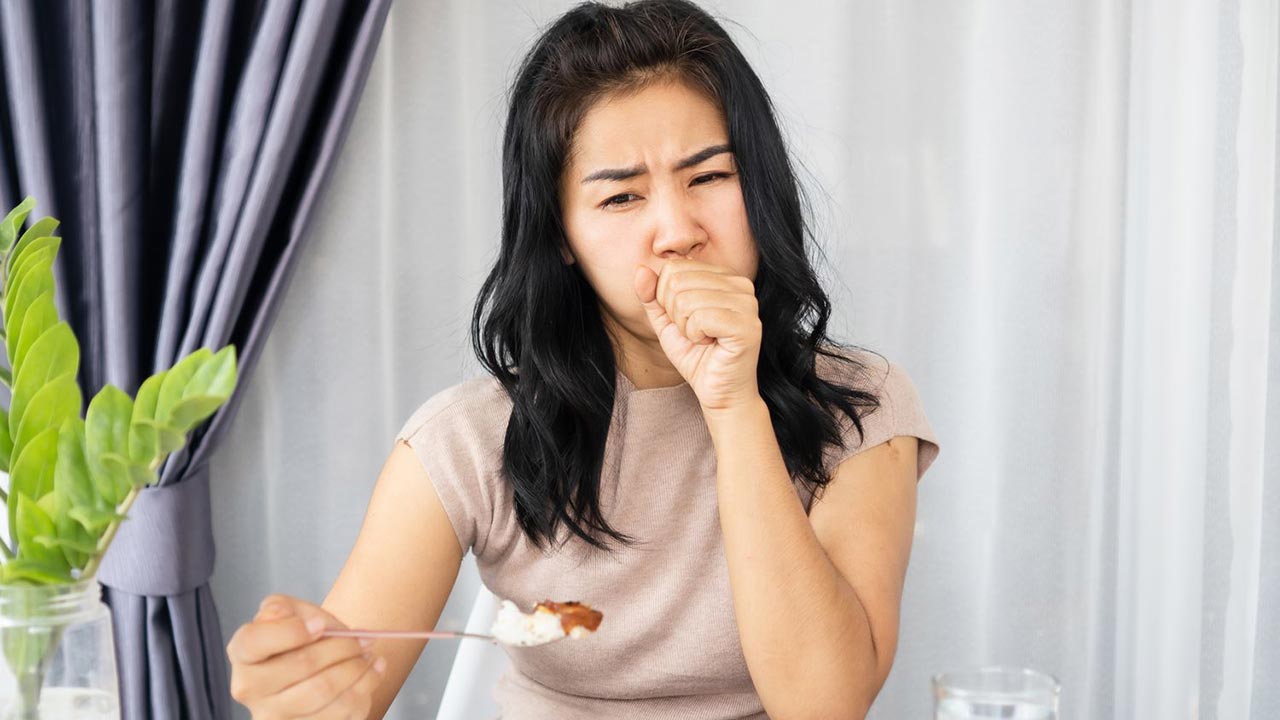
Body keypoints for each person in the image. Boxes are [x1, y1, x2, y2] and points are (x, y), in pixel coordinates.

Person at [226, 0, 940, 717]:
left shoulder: (861, 408)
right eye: (622, 197)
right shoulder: (466, 440)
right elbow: (345, 685)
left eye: (710, 177)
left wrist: (734, 406)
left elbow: (824, 706)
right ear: (561, 237)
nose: (677, 232)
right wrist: (296, 688)